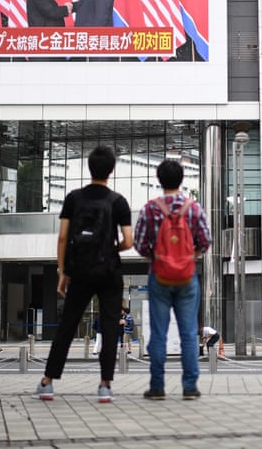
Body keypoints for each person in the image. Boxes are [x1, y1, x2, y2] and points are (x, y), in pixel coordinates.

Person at [33, 145, 133, 403]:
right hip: (110, 270)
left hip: (81, 271)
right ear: (111, 170)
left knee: (67, 324)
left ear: (89, 168)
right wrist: (112, 248)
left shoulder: (74, 198)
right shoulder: (118, 201)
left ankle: (47, 383)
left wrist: (63, 271)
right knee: (110, 326)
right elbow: (129, 241)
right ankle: (105, 386)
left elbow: (64, 237)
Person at [133, 159, 212, 401]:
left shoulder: (150, 209)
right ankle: (190, 387)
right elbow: (205, 241)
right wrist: (189, 255)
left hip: (159, 276)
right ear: (181, 180)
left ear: (159, 180)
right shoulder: (193, 208)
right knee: (189, 332)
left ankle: (157, 387)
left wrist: (158, 257)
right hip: (187, 277)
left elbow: (139, 244)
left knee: (159, 333)